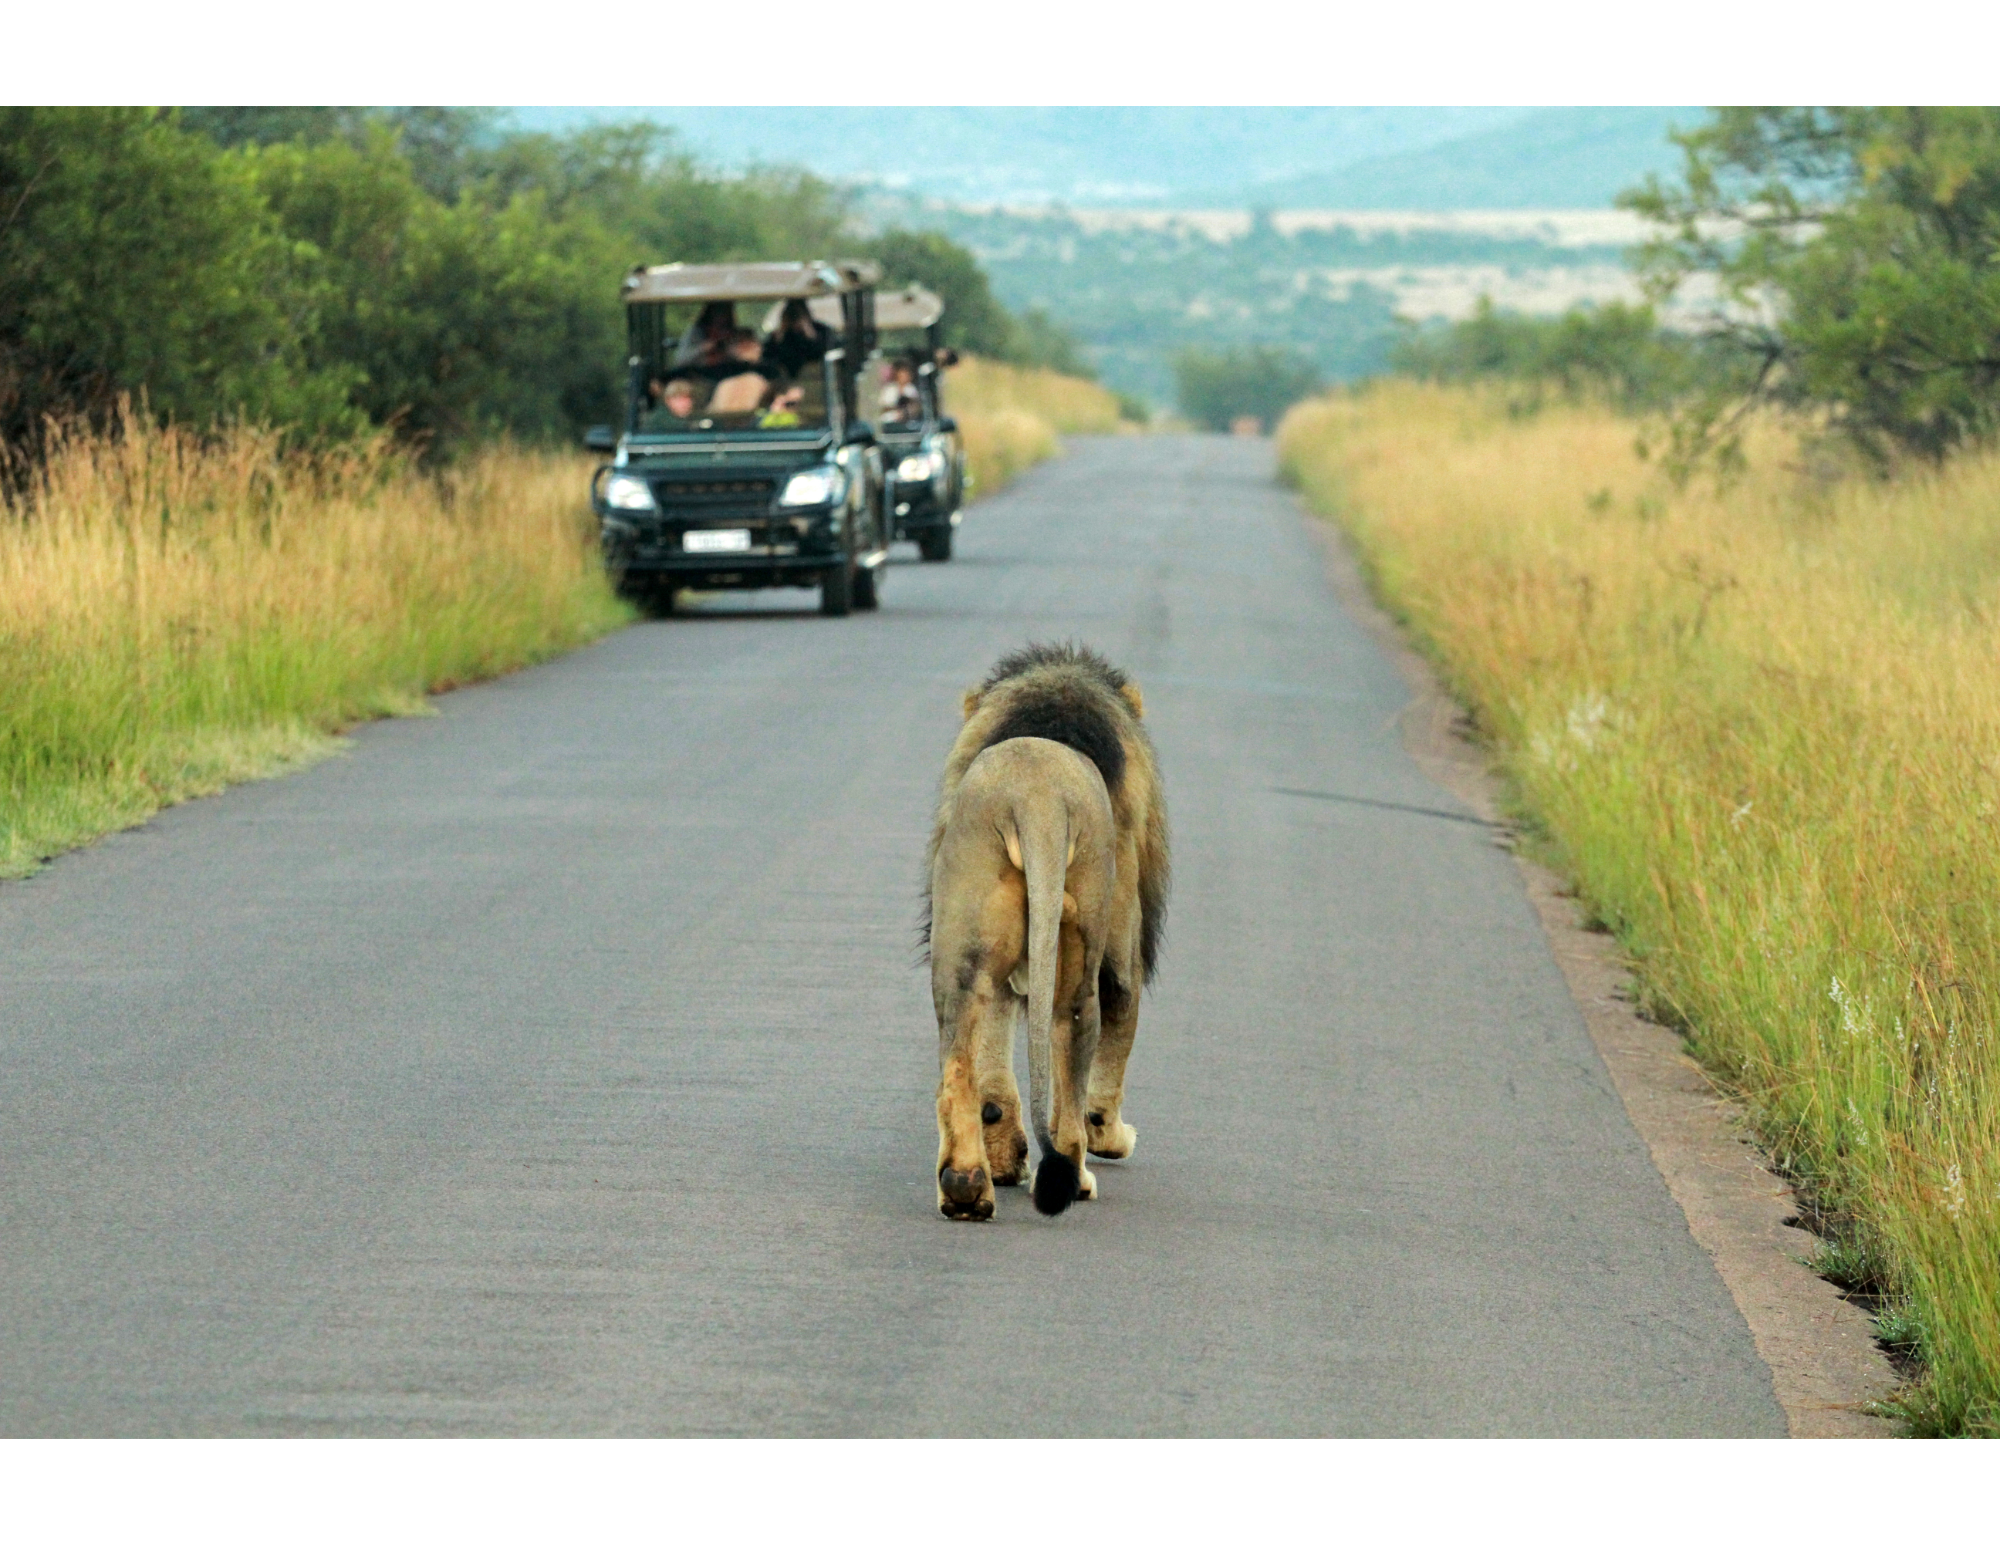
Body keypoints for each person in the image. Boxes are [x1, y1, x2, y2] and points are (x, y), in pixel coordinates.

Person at [765, 298, 839, 378]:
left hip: (818, 375)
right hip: (785, 375)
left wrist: (810, 334)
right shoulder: (781, 335)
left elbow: (827, 349)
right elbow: (769, 355)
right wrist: (780, 335)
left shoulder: (821, 330)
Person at [672, 301, 736, 370]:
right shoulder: (696, 333)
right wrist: (703, 349)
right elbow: (680, 360)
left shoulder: (731, 337)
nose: (720, 332)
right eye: (717, 325)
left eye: (724, 326)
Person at [879, 357, 923, 424]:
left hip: (909, 421)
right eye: (902, 373)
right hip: (891, 421)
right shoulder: (889, 389)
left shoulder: (911, 389)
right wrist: (897, 407)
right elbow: (884, 407)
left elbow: (915, 407)